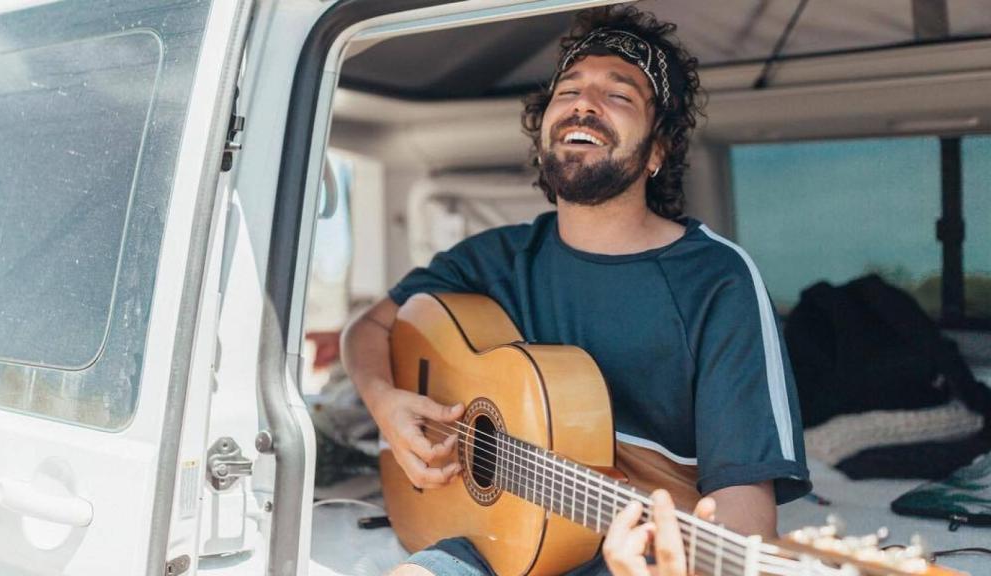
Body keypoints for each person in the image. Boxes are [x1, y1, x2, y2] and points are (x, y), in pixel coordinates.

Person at [341, 6, 811, 575]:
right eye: (568, 89)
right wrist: (385, 405)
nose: (584, 103)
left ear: (658, 150)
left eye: (619, 94)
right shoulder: (497, 258)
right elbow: (367, 329)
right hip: (483, 540)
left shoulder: (716, 278)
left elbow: (747, 518)